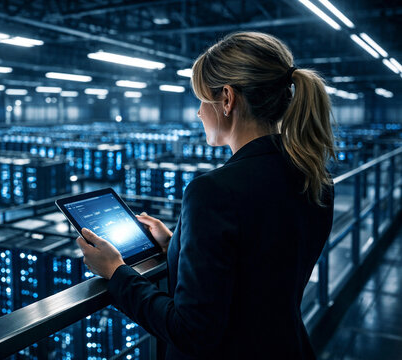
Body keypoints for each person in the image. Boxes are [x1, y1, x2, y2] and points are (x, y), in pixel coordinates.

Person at [76, 32, 335, 359]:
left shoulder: (213, 191)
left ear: (227, 99)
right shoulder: (314, 178)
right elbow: (256, 268)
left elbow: (192, 332)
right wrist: (178, 243)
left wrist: (115, 272)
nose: (199, 113)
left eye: (201, 99)